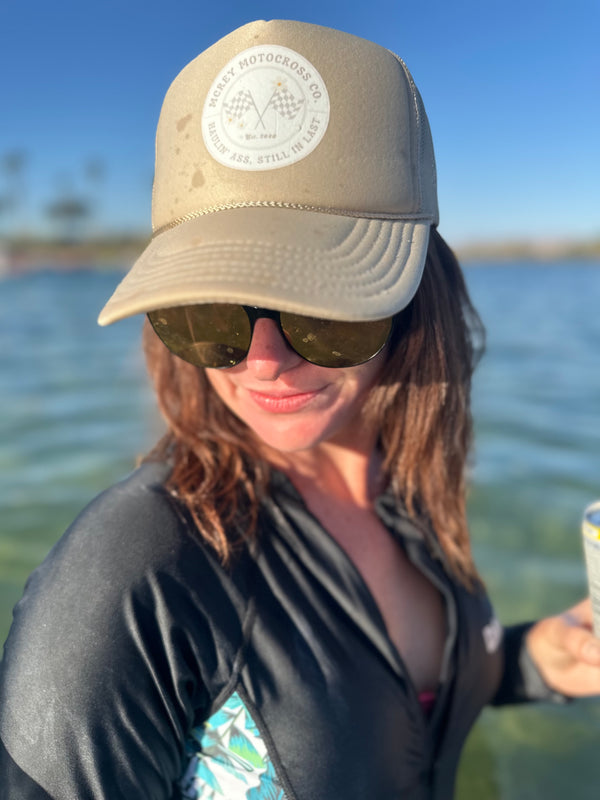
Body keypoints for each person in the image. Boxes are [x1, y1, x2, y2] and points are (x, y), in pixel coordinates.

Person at [1, 19, 599, 800]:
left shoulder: (406, 487)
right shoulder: (127, 576)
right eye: (208, 312)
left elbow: (382, 702)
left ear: (422, 299)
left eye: (323, 306)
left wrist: (529, 660)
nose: (262, 360)